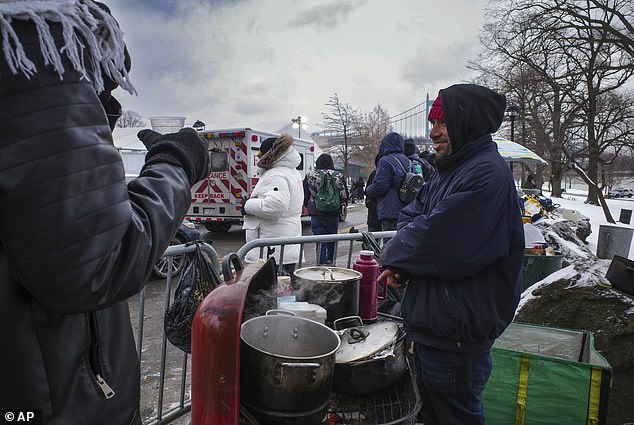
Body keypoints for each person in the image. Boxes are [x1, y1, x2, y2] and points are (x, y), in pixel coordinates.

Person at [0, 3, 210, 424]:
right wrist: (175, 163)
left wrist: (98, 116)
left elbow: (51, 217)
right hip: (56, 401)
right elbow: (100, 259)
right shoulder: (30, 44)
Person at [378, 84, 524, 425]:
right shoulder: (451, 169)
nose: (434, 133)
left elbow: (437, 241)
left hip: (456, 341)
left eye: (442, 123)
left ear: (467, 122)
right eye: (432, 123)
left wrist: (397, 255)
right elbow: (410, 217)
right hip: (436, 330)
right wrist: (404, 263)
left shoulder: (485, 173)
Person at [243, 134, 304, 276]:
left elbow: (275, 206)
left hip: (273, 247)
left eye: (259, 155)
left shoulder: (276, 174)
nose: (257, 158)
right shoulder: (291, 172)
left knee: (273, 292)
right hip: (284, 244)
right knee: (285, 290)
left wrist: (248, 205)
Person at [303, 153, 347, 265]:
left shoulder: (310, 175)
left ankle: (321, 267)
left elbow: (305, 195)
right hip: (333, 214)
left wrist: (310, 206)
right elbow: (344, 195)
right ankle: (332, 264)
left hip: (316, 213)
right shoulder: (338, 176)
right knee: (332, 240)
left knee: (320, 241)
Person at [364, 132, 409, 231]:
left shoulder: (385, 161)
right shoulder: (407, 160)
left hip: (390, 212)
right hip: (406, 211)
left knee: (389, 244)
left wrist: (368, 190)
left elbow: (380, 186)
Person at [365, 154, 382, 233]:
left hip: (374, 213)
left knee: (372, 239)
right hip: (380, 213)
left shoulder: (374, 174)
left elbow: (367, 191)